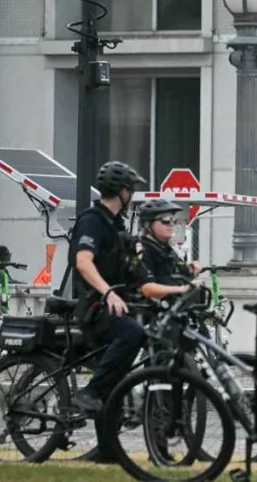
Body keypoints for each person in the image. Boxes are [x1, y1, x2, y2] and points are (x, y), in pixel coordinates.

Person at [68, 161, 149, 416]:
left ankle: (109, 439)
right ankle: (91, 392)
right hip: (95, 307)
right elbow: (83, 262)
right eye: (131, 190)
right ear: (123, 192)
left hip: (113, 303)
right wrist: (108, 293)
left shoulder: (115, 225)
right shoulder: (92, 221)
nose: (132, 196)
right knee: (132, 332)